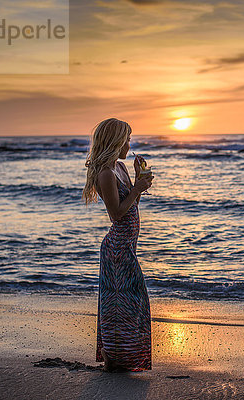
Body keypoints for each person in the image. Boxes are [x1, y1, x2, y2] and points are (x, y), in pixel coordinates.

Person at [82, 118, 154, 372]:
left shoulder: (120, 169)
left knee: (131, 301)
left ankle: (124, 357)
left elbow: (132, 207)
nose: (129, 143)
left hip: (127, 247)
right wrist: (137, 189)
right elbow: (116, 214)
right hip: (117, 248)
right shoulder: (105, 173)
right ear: (115, 141)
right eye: (127, 138)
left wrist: (138, 183)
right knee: (117, 303)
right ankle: (114, 360)